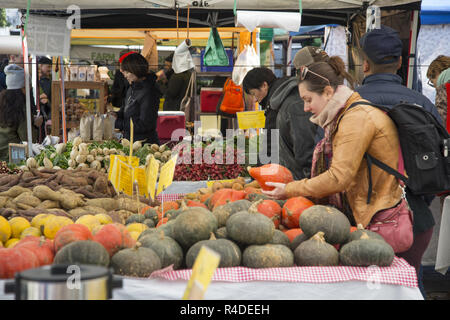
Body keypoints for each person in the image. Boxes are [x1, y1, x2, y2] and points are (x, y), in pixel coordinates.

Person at [262, 57, 405, 240]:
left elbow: (338, 178)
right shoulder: (346, 115)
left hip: (382, 220)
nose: (305, 108)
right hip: (372, 215)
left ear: (328, 92)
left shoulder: (355, 118)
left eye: (308, 100)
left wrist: (290, 189)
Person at [355, 25, 443, 296]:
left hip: (357, 222)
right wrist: (414, 202)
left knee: (359, 288)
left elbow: (324, 161)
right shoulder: (422, 104)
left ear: (365, 64)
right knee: (408, 286)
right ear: (401, 63)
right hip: (414, 219)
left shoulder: (349, 105)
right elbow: (438, 164)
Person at [242, 66, 319, 180]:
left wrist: (307, 181)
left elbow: (304, 144)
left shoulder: (288, 103)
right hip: (295, 177)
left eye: (254, 94)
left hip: (300, 179)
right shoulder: (278, 101)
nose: (254, 99)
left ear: (264, 85)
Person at [112, 53, 161, 145]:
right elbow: (126, 111)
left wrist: (119, 123)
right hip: (129, 142)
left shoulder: (149, 91)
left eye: (126, 72)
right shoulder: (132, 87)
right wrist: (116, 115)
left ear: (135, 70)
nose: (124, 75)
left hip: (144, 145)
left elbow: (145, 124)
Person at [0, 65, 38, 161]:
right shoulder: (21, 108)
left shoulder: (2, 101)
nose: (30, 89)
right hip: (13, 156)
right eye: (28, 86)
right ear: (22, 88)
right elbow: (27, 138)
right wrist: (35, 125)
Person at [427, 55, 450, 125]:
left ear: (438, 72)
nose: (435, 87)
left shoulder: (444, 88)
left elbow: (440, 123)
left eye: (432, 82)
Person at [37, 56, 52, 121]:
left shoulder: (49, 80)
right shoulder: (35, 80)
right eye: (48, 67)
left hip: (47, 114)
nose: (50, 69)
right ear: (41, 66)